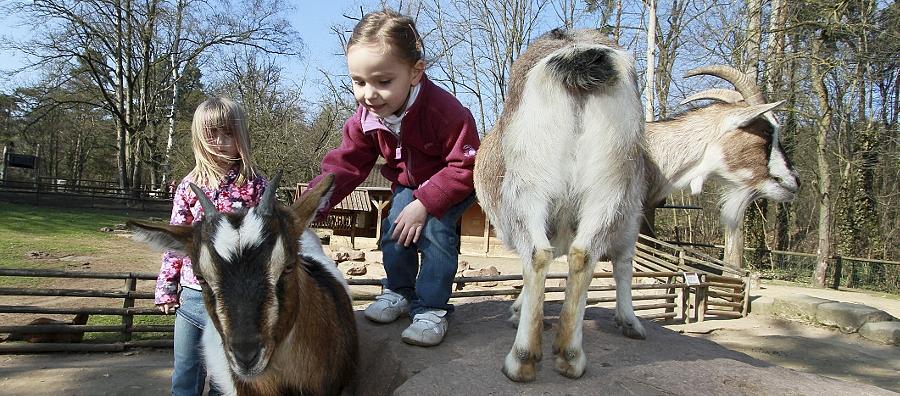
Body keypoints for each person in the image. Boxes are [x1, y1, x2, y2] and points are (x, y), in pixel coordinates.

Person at [307, 9, 480, 347]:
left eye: (383, 82)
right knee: (393, 229)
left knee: (434, 231)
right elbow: (346, 164)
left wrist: (426, 203)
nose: (368, 94)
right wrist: (314, 203)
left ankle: (431, 309)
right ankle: (399, 291)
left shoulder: (446, 112)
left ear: (415, 72)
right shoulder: (366, 118)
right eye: (359, 82)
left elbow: (466, 166)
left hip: (452, 181)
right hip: (408, 183)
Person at [155, 97, 268, 395]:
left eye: (228, 133)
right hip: (193, 295)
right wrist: (167, 286)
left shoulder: (257, 186)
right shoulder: (189, 186)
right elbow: (177, 241)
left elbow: (265, 240)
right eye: (212, 133)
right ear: (199, 136)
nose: (220, 141)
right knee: (186, 371)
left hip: (235, 299)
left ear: (240, 135)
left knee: (226, 375)